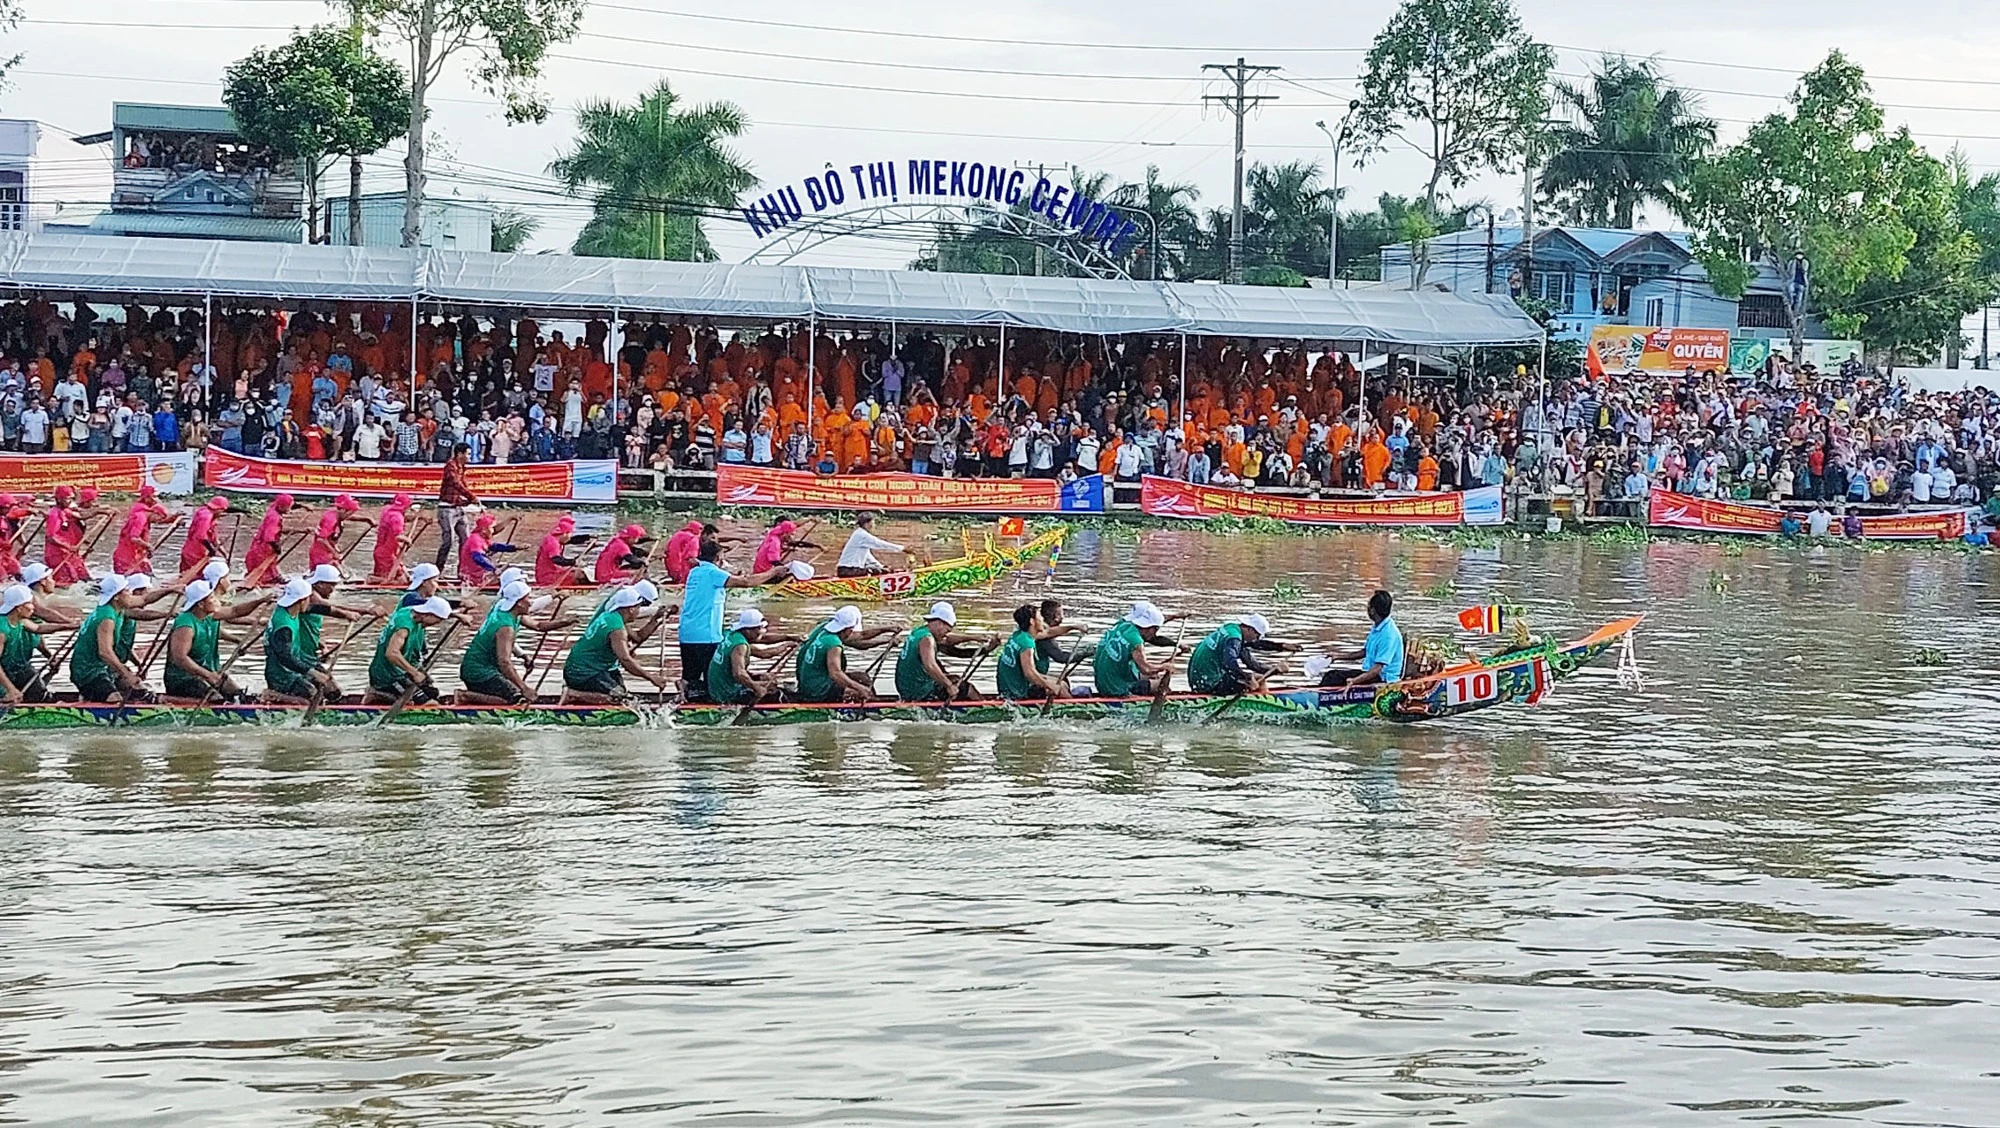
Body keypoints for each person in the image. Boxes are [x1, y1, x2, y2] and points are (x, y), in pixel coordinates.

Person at [676, 539, 790, 702]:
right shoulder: (712, 572)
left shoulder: (695, 571)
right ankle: (712, 703)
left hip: (686, 633)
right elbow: (746, 583)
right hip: (706, 635)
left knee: (691, 675)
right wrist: (773, 572)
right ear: (718, 558)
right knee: (714, 679)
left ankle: (684, 694)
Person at [457, 579, 574, 705]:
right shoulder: (505, 628)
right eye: (528, 598)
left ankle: (476, 697)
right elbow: (504, 662)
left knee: (516, 692)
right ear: (518, 603)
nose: (531, 603)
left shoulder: (504, 608)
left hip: (480, 669)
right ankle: (464, 697)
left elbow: (538, 626)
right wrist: (524, 688)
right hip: (478, 672)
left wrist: (565, 622)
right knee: (515, 700)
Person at [561, 584, 675, 704]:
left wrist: (656, 619)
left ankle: (588, 697)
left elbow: (638, 637)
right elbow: (625, 659)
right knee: (618, 698)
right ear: (631, 609)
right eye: (638, 607)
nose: (639, 611)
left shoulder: (612, 616)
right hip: (582, 672)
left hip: (596, 668)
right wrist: (651, 678)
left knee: (623, 694)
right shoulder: (616, 629)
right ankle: (573, 695)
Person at [69, 574, 174, 703]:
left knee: (141, 691)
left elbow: (145, 599)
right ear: (116, 596)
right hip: (88, 671)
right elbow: (105, 653)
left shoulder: (118, 608)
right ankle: (79, 704)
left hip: (105, 668)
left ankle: (94, 698)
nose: (130, 593)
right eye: (126, 590)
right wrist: (127, 674)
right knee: (115, 699)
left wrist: (171, 590)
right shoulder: (107, 618)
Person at [162, 577, 267, 702]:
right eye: (211, 598)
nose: (216, 600)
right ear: (200, 604)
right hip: (182, 679)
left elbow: (236, 611)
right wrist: (207, 675)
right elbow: (180, 658)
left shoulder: (209, 615)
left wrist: (261, 601)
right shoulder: (185, 625)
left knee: (237, 694)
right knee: (215, 700)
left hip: (204, 672)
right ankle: (166, 699)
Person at [793, 604, 899, 704]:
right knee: (859, 690)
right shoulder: (834, 644)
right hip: (818, 690)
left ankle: (870, 700)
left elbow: (861, 636)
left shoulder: (826, 630)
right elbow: (835, 674)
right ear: (848, 629)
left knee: (863, 678)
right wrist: (860, 688)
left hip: (809, 681)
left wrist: (885, 633)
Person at [895, 600, 997, 702]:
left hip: (907, 686)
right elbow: (930, 666)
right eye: (947, 630)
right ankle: (984, 707)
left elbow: (954, 649)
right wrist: (949, 686)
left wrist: (975, 639)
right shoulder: (927, 639)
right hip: (917, 690)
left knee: (955, 678)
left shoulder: (919, 632)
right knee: (966, 687)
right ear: (940, 623)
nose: (946, 634)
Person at [263, 578, 341, 705]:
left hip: (296, 665)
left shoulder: (289, 609)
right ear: (302, 601)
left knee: (332, 691)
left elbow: (317, 608)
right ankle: (272, 695)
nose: (310, 602)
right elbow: (285, 658)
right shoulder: (284, 627)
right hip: (282, 674)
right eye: (308, 599)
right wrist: (313, 673)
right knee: (312, 696)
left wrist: (347, 614)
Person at [364, 596, 454, 705]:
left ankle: (383, 696)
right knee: (429, 704)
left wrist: (459, 616)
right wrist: (414, 673)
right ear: (428, 614)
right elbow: (391, 653)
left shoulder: (408, 611)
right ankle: (377, 693)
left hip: (400, 672)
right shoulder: (404, 628)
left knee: (432, 693)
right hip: (388, 676)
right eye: (438, 620)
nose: (437, 624)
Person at [706, 608, 802, 706]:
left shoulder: (732, 634)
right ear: (748, 630)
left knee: (767, 681)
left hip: (721, 686)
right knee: (775, 693)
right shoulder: (740, 646)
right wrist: (755, 687)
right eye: (759, 628)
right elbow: (739, 674)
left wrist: (787, 640)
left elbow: (764, 646)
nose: (761, 631)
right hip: (727, 694)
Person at [1092, 599, 1186, 698]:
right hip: (1117, 688)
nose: (1155, 633)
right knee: (1162, 686)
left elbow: (1153, 627)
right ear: (1150, 628)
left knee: (1154, 675)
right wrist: (1164, 667)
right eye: (1156, 630)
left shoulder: (1121, 625)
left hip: (1102, 683)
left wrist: (1175, 616)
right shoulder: (1137, 642)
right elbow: (1146, 669)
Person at [1187, 613, 1295, 695]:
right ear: (1249, 629)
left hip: (1198, 681)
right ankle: (1267, 708)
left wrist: (1281, 646)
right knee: (1258, 680)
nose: (1256, 640)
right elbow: (1229, 663)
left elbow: (1253, 664)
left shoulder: (1231, 629)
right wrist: (1247, 679)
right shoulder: (1234, 640)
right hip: (1209, 684)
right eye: (1257, 636)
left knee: (1255, 677)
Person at [1320, 590, 1404, 688]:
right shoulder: (1378, 627)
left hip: (1383, 677)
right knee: (1331, 676)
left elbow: (1377, 669)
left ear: (1372, 610)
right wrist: (1338, 656)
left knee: (1333, 679)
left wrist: (1354, 681)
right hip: (1371, 673)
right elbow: (1364, 652)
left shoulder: (1389, 635)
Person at [996, 603, 1071, 702]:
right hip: (1018, 691)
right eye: (1040, 617)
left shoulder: (1018, 634)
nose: (1043, 620)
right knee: (1062, 686)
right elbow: (1030, 674)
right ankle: (1076, 708)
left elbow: (1049, 632)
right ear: (1032, 621)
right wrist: (1051, 686)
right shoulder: (1027, 643)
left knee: (1061, 682)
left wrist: (1073, 627)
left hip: (1007, 687)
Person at [0, 583, 55, 703]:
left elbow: (39, 629)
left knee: (38, 693)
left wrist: (70, 626)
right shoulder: (2, 630)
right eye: (30, 603)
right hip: (3, 673)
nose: (34, 607)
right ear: (19, 608)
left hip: (13, 669)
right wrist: (10, 689)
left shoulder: (20, 621)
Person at [111, 485, 177, 575]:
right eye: (159, 518)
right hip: (127, 557)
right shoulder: (140, 517)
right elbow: (133, 538)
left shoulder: (146, 514)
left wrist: (174, 519)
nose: (158, 521)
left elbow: (160, 519)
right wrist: (148, 546)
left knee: (148, 576)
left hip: (138, 555)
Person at [435, 442, 478, 572]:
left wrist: (470, 498)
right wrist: (471, 497)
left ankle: (463, 569)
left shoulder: (462, 467)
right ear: (460, 454)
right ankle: (438, 570)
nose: (470, 456)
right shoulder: (450, 466)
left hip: (458, 507)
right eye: (468, 454)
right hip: (446, 508)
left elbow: (463, 484)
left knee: (466, 539)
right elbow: (456, 484)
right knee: (448, 540)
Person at [243, 493, 301, 586]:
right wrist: (277, 548)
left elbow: (275, 530)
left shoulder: (273, 510)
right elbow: (269, 537)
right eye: (288, 507)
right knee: (262, 568)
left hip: (261, 544)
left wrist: (302, 507)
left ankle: (271, 579)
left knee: (267, 566)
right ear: (282, 506)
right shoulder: (275, 517)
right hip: (264, 547)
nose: (289, 510)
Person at [836, 511, 911, 577]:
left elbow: (868, 557)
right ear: (867, 523)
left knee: (880, 570)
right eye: (873, 522)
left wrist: (881, 566)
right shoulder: (862, 535)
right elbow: (880, 544)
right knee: (877, 571)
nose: (874, 524)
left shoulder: (859, 534)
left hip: (845, 570)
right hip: (849, 570)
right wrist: (902, 548)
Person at [309, 494, 373, 571]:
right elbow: (321, 539)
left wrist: (366, 519)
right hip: (320, 553)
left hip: (328, 549)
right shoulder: (330, 521)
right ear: (343, 510)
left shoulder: (335, 513)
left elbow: (348, 517)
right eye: (350, 513)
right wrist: (334, 553)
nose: (350, 516)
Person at [41, 485, 89, 586]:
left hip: (69, 553)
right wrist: (69, 547)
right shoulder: (54, 514)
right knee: (66, 583)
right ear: (59, 499)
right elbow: (50, 537)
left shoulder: (66, 511)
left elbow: (83, 516)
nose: (70, 501)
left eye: (71, 498)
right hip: (57, 555)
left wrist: (100, 511)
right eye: (68, 499)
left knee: (84, 578)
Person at [367, 493, 419, 585]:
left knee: (396, 575)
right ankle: (372, 580)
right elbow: (398, 536)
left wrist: (417, 518)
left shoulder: (387, 510)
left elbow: (397, 522)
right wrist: (407, 540)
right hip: (387, 554)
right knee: (400, 581)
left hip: (381, 552)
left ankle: (375, 579)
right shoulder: (397, 518)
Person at [460, 512, 517, 586]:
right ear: (484, 529)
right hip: (472, 576)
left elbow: (494, 547)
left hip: (479, 573)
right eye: (491, 528)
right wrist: (493, 568)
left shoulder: (482, 537)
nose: (493, 531)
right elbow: (478, 558)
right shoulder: (475, 540)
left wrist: (514, 548)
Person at [178, 496, 231, 576]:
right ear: (219, 509)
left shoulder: (204, 512)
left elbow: (214, 538)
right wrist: (212, 550)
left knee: (186, 575)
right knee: (194, 576)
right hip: (194, 553)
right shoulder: (206, 517)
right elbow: (201, 536)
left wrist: (224, 553)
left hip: (192, 550)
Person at [535, 515, 585, 586]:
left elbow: (571, 540)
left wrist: (587, 538)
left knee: (578, 571)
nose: (570, 537)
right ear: (565, 533)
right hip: (548, 577)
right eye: (570, 533)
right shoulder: (552, 543)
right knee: (580, 574)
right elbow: (556, 560)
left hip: (553, 572)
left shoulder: (555, 538)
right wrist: (572, 562)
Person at [753, 518, 817, 572]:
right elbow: (775, 561)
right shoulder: (775, 542)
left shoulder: (775, 532)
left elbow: (795, 524)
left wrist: (809, 519)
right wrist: (787, 569)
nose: (792, 537)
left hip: (762, 567)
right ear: (785, 534)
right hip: (762, 571)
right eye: (791, 534)